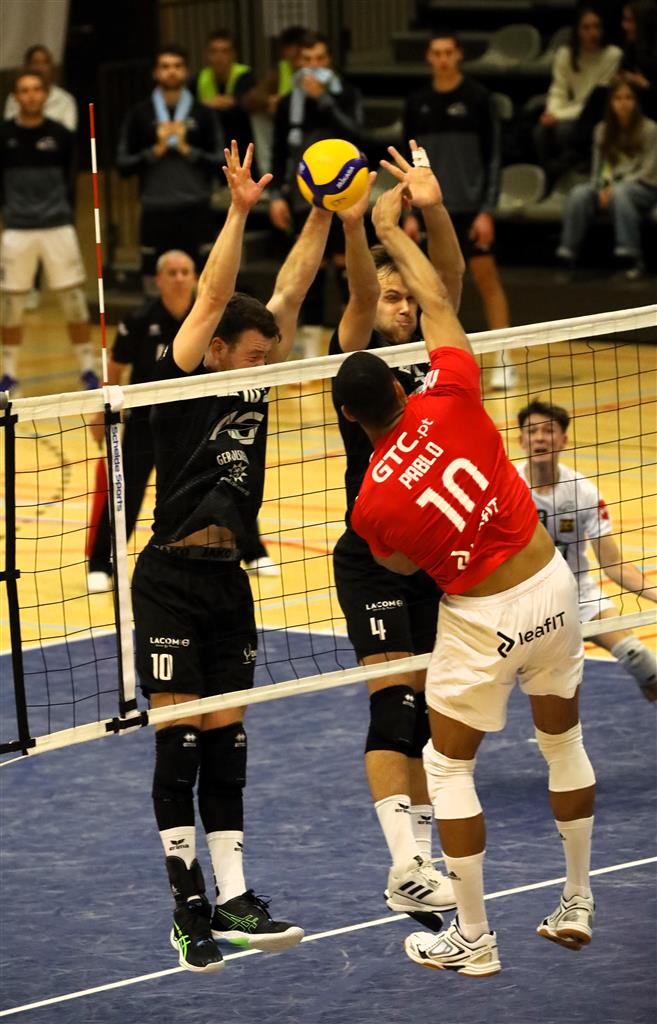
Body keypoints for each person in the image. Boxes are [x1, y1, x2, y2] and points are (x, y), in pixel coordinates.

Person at [334, 182, 596, 977]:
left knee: (448, 768)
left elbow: (398, 564)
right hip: (551, 585)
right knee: (562, 743)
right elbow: (442, 301)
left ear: (351, 418)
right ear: (399, 386)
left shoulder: (371, 503)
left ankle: (474, 939)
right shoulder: (449, 392)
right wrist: (395, 225)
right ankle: (576, 900)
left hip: (484, 617)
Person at [130, 142, 333, 972]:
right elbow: (216, 295)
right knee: (178, 743)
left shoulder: (252, 373)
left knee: (227, 744)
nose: (264, 368)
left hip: (228, 584)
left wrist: (325, 208)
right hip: (169, 580)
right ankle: (187, 909)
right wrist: (240, 209)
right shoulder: (181, 373)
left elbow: (289, 291)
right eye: (254, 355)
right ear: (216, 349)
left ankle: (236, 896)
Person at [329, 143, 464, 928]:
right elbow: (355, 293)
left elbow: (446, 278)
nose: (402, 307)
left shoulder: (436, 359)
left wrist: (433, 209)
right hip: (373, 556)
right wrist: (357, 227)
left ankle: (421, 861)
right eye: (391, 297)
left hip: (433, 559)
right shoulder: (361, 357)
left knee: (429, 714)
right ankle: (405, 864)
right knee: (393, 703)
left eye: (406, 299)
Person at [517, 399, 656, 702]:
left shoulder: (583, 492)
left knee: (641, 661)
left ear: (563, 440)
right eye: (532, 431)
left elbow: (614, 564)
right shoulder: (506, 487)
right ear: (521, 440)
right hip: (522, 603)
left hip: (578, 594)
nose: (540, 438)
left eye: (548, 431)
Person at [403, 30, 514, 390]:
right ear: (429, 58)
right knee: (430, 288)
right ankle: (434, 362)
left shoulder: (479, 99)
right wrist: (409, 212)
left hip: (470, 208)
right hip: (428, 209)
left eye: (448, 52)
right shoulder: (417, 102)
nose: (443, 59)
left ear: (459, 55)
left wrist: (487, 210)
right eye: (436, 53)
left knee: (486, 279)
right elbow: (408, 162)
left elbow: (494, 157)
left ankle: (503, 359)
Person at [86, 250, 197, 593]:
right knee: (126, 492)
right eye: (172, 272)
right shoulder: (139, 318)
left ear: (195, 278)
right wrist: (101, 412)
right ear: (158, 280)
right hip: (143, 421)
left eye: (185, 272)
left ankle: (252, 552)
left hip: (190, 420)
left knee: (208, 485)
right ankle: (100, 564)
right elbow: (116, 369)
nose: (179, 278)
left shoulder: (206, 316)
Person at [269, 30, 363, 358]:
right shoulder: (287, 104)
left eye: (320, 59)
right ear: (298, 63)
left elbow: (357, 133)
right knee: (311, 267)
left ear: (329, 61)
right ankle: (310, 348)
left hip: (345, 190)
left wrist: (324, 99)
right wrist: (276, 196)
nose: (314, 66)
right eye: (307, 60)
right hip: (304, 196)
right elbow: (278, 152)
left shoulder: (346, 94)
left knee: (344, 267)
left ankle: (350, 344)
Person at [0, 71, 94, 396]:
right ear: (16, 97)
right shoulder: (4, 135)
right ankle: (8, 373)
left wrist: (62, 213)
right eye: (24, 90)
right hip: (18, 230)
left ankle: (88, 369)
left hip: (57, 227)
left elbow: (70, 181)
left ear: (45, 94)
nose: (30, 95)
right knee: (12, 304)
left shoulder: (61, 135)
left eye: (36, 89)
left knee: (73, 301)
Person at [116, 44, 223, 293]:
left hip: (196, 209)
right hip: (155, 210)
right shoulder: (139, 114)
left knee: (205, 284)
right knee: (153, 284)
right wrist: (155, 151)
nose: (171, 71)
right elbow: (123, 166)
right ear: (155, 73)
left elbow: (221, 162)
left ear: (186, 71)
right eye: (165, 66)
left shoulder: (203, 114)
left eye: (177, 66)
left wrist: (188, 150)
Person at [556, 74, 657, 279]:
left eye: (628, 98)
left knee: (621, 193)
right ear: (611, 103)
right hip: (612, 186)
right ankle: (568, 253)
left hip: (644, 186)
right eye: (618, 99)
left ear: (636, 102)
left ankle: (630, 257)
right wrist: (602, 186)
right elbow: (601, 166)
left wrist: (614, 188)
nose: (623, 104)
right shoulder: (601, 130)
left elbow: (649, 170)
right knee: (579, 193)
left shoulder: (650, 129)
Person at [534, 5, 622, 180]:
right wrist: (551, 112)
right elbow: (558, 89)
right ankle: (550, 179)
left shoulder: (612, 55)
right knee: (539, 132)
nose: (593, 33)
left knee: (563, 131)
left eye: (596, 27)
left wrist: (558, 116)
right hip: (568, 110)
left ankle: (574, 173)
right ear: (577, 31)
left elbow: (596, 100)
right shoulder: (565, 54)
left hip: (594, 114)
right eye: (586, 28)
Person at [191, 30, 259, 161]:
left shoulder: (245, 74)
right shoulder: (198, 78)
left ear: (233, 54)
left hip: (242, 140)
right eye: (214, 51)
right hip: (210, 144)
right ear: (207, 55)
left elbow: (242, 102)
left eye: (224, 51)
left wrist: (208, 103)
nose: (219, 57)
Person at [3, 43, 78, 131]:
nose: (40, 68)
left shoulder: (65, 99)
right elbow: (8, 129)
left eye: (45, 62)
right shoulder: (13, 97)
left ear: (45, 95)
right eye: (35, 62)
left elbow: (68, 133)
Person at [620, 0, 657, 118]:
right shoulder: (632, 46)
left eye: (630, 21)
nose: (624, 26)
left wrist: (646, 85)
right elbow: (623, 72)